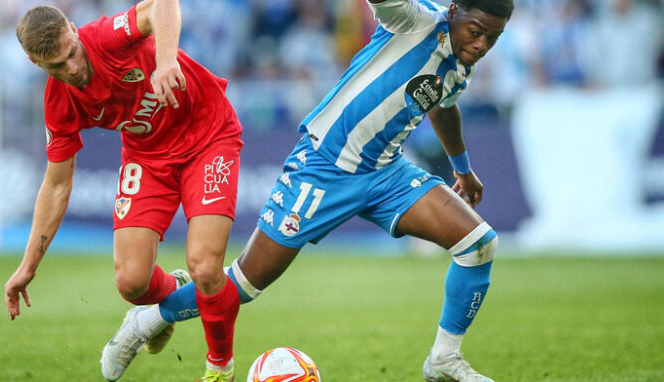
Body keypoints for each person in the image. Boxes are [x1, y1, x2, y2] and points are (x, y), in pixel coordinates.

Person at [104, 0, 513, 381]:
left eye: (491, 39)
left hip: (386, 173)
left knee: (479, 244)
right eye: (475, 31)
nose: (480, 44)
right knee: (243, 286)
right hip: (323, 167)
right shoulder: (415, 19)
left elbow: (442, 106)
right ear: (455, 11)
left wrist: (464, 169)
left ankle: (443, 359)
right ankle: (147, 320)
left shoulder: (460, 65)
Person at [2, 1, 243, 381]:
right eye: (57, 67)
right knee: (131, 282)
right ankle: (169, 296)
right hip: (147, 157)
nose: (73, 68)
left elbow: (163, 4)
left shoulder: (107, 37)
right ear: (37, 65)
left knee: (207, 267)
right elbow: (57, 183)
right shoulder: (58, 104)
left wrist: (166, 61)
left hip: (209, 134)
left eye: (71, 54)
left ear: (75, 31)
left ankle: (219, 369)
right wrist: (28, 267)